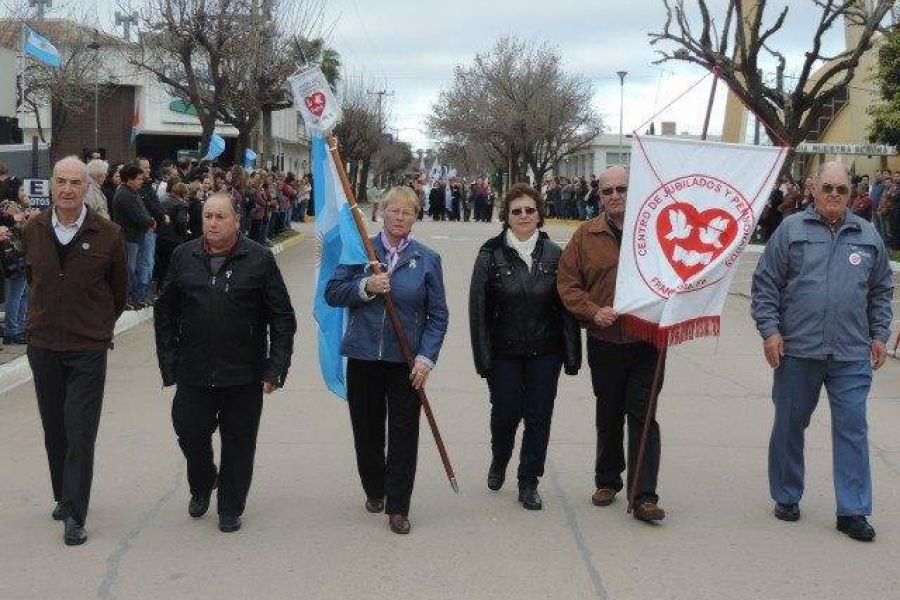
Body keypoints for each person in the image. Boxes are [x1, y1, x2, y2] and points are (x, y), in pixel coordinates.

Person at [751, 162, 893, 542]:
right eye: (827, 188)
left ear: (850, 194)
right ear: (813, 189)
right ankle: (786, 495)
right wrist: (770, 331)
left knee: (852, 429)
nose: (833, 195)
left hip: (850, 353)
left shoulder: (866, 235)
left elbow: (880, 290)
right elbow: (766, 285)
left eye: (841, 190)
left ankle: (853, 509)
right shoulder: (791, 230)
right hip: (798, 349)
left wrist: (879, 335)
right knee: (789, 425)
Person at [154, 192, 296, 534]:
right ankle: (203, 482)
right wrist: (169, 363)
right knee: (189, 431)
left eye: (220, 217)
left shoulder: (259, 259)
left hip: (243, 372)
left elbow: (282, 318)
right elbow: (165, 312)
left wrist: (276, 367)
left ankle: (230, 506)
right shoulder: (183, 256)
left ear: (237, 221)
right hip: (194, 369)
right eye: (207, 216)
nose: (212, 223)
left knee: (239, 441)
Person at [325, 186, 449, 535]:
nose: (399, 217)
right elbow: (333, 293)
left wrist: (426, 358)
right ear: (382, 213)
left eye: (407, 212)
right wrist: (366, 286)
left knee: (404, 432)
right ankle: (375, 487)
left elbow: (438, 315)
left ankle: (398, 505)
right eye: (394, 210)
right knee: (366, 429)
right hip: (364, 355)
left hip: (406, 360)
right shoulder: (360, 251)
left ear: (415, 217)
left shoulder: (427, 260)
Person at [23, 156, 128, 545]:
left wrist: (98, 327)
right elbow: (35, 277)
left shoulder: (108, 233)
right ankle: (62, 495)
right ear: (52, 185)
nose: (67, 189)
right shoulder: (33, 228)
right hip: (44, 343)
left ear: (87, 188)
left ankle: (75, 513)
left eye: (74, 183)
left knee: (80, 431)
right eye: (60, 182)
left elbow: (118, 290)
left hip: (87, 346)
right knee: (55, 429)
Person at [557, 165, 667, 523]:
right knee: (609, 412)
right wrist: (591, 311)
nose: (616, 196)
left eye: (622, 189)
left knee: (643, 413)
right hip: (605, 340)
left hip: (647, 338)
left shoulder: (656, 229)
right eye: (608, 191)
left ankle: (644, 494)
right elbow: (568, 284)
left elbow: (679, 269)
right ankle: (608, 479)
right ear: (599, 195)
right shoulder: (585, 236)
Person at [469, 183, 580, 510]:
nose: (523, 216)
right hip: (504, 353)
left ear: (539, 215)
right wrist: (482, 357)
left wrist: (573, 354)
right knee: (505, 415)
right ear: (506, 216)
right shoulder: (490, 254)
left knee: (539, 417)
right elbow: (478, 312)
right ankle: (499, 458)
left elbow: (567, 308)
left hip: (546, 352)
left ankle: (528, 480)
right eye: (516, 211)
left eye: (530, 210)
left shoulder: (556, 255)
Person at [112, 163, 154, 309]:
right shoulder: (124, 194)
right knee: (128, 269)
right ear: (129, 179)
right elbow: (137, 216)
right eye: (138, 179)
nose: (141, 182)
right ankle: (126, 299)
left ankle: (134, 298)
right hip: (129, 238)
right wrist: (150, 221)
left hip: (136, 237)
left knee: (135, 269)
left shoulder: (131, 192)